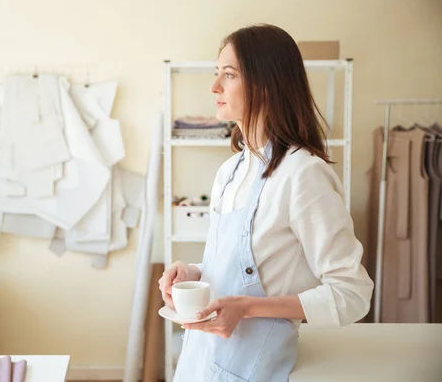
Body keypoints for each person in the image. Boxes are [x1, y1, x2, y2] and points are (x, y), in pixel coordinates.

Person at [158, 24, 374, 382]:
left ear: (267, 85)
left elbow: (352, 293)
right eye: (217, 74)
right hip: (199, 360)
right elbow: (243, 266)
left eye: (228, 75)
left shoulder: (303, 174)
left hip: (255, 369)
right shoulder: (230, 171)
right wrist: (194, 273)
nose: (214, 87)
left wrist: (247, 309)